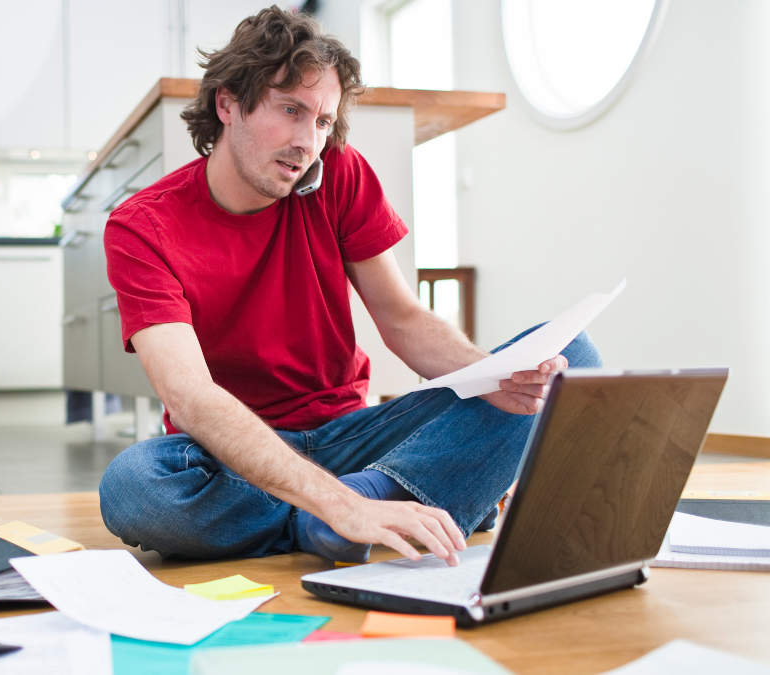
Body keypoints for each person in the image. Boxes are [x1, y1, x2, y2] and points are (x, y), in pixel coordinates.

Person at [98, 6, 600, 565]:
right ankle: (394, 497)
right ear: (228, 104)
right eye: (290, 110)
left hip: (350, 432)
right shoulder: (143, 226)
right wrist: (337, 498)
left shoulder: (340, 172)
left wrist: (493, 379)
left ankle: (370, 502)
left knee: (569, 356)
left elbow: (404, 320)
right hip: (232, 455)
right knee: (135, 486)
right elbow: (191, 399)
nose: (306, 141)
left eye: (320, 121)